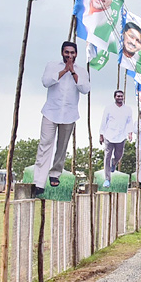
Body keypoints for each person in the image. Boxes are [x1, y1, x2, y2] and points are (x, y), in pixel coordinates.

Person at [33, 42, 90, 196]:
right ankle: (39, 181)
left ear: (76, 54)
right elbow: (46, 82)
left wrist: (72, 72)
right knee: (45, 145)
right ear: (62, 53)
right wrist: (64, 70)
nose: (69, 55)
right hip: (51, 111)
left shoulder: (81, 71)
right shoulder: (52, 66)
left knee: (62, 146)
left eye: (72, 53)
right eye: (66, 52)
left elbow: (85, 89)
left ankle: (55, 173)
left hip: (69, 114)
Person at [98, 90, 133, 188]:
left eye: (121, 96)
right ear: (115, 97)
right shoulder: (108, 108)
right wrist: (101, 134)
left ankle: (114, 163)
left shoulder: (128, 109)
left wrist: (130, 133)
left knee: (119, 155)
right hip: (109, 135)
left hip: (121, 136)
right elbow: (103, 121)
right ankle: (107, 179)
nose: (120, 98)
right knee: (107, 156)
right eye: (118, 96)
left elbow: (129, 122)